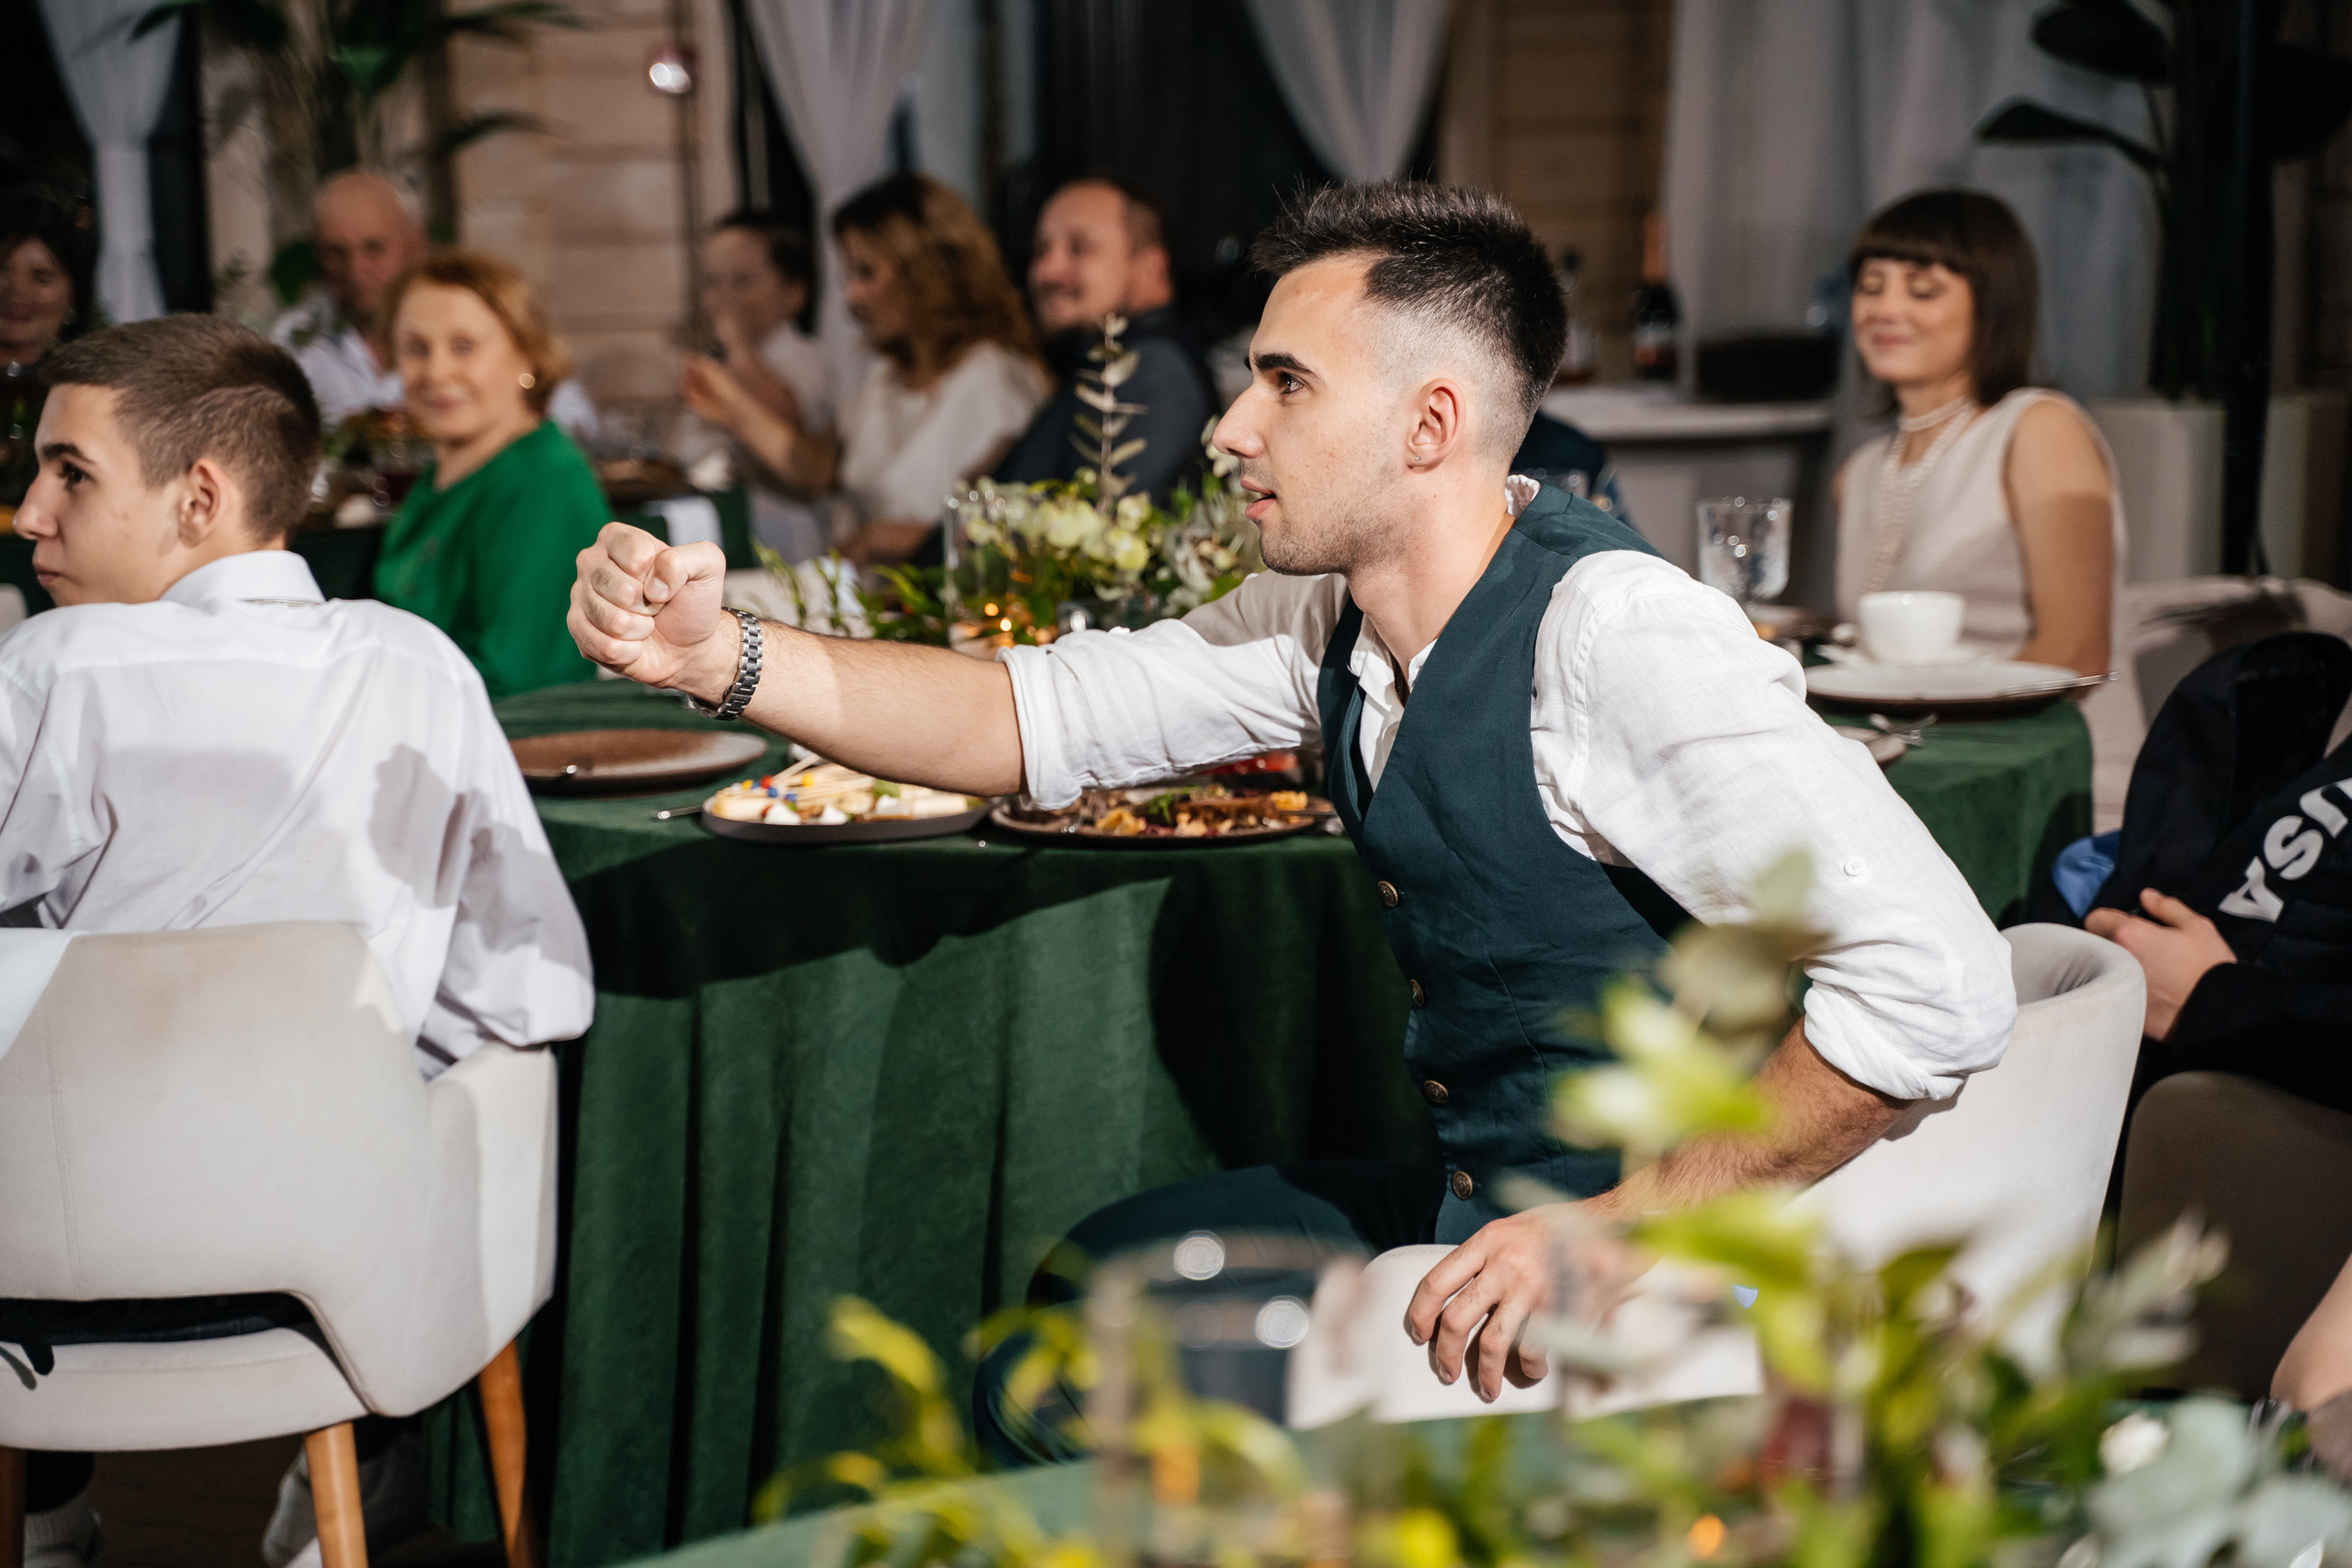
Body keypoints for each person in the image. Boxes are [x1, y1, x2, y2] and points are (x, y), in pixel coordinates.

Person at [567, 182, 2014, 1438]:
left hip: (1676, 1265)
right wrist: (724, 659)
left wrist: (1621, 1226)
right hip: (1485, 1196)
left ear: (1430, 423)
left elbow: (1939, 982)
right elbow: (1031, 717)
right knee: (1094, 1280)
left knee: (1066, 1384)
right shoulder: (1323, 615)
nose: (1229, 428)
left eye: (1286, 383)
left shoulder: (1616, 635)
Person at [2, 312, 593, 1568]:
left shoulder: (54, 667)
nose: (28, 514)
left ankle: (46, 1524)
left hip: (50, 1286)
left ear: (199, 495)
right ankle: (362, 1486)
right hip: (357, 1272)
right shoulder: (419, 667)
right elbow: (531, 986)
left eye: (70, 473)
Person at [1833, 189, 2140, 820]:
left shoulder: (2038, 426)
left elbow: (2077, 652)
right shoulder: (1860, 471)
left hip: (2046, 785)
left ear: (1991, 305)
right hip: (1913, 766)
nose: (1886, 308)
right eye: (1871, 286)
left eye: (1922, 290)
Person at [679, 173, 1046, 565]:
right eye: (849, 275)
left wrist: (877, 539)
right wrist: (732, 408)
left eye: (867, 273)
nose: (852, 296)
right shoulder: (885, 378)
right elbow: (816, 470)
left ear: (925, 271)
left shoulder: (999, 381)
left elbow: (1012, 532)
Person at [372, 249, 609, 698]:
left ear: (526, 356)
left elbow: (519, 681)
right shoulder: (441, 476)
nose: (437, 372)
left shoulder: (541, 482)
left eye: (464, 347)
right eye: (416, 349)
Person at [272, 171, 597, 441]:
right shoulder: (295, 340)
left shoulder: (473, 314)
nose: (355, 270)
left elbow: (573, 420)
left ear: (415, 243)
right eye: (336, 252)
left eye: (374, 248)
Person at [992, 175, 1217, 502]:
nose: (1046, 270)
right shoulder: (1102, 362)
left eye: (1079, 248)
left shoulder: (1155, 369)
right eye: (1040, 250)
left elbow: (1102, 533)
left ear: (1150, 269)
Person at [673, 211, 835, 560]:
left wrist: (739, 348)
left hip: (786, 544)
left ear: (794, 292)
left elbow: (795, 448)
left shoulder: (806, 359)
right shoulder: (719, 363)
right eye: (712, 282)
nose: (722, 298)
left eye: (743, 281)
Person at [1, 187, 96, 506]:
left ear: (73, 297)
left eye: (41, 277)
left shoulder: (90, 392)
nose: (16, 292)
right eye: (1, 271)